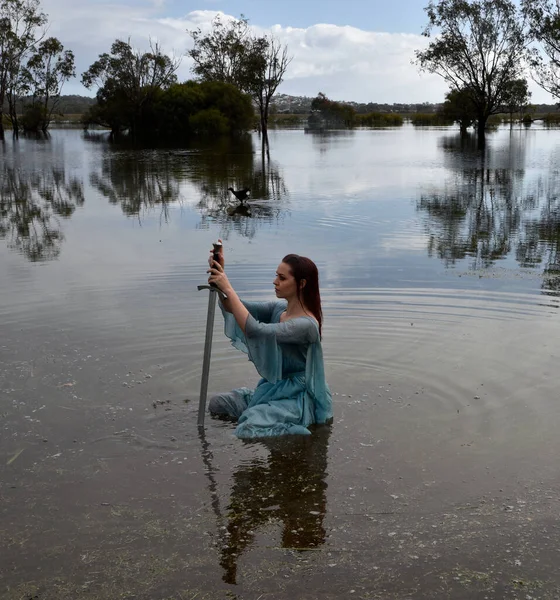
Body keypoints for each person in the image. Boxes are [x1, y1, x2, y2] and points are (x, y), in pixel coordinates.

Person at [206, 240, 333, 439]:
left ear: (301, 284)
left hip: (298, 395)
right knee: (218, 404)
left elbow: (256, 331)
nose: (275, 281)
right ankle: (258, 414)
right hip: (274, 387)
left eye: (282, 278)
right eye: (276, 276)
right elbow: (236, 307)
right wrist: (220, 276)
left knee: (247, 428)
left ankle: (291, 435)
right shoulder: (278, 309)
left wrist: (227, 288)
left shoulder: (307, 325)